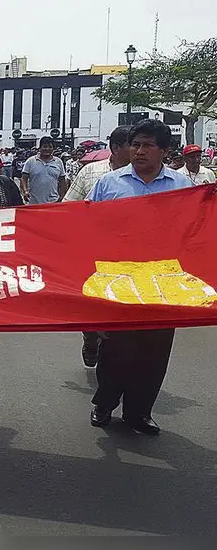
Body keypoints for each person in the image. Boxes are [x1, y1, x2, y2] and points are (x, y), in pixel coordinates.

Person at [87, 119, 194, 435]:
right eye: (135, 145)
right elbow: (88, 226)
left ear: (164, 150)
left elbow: (192, 232)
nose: (139, 151)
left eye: (148, 145)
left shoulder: (182, 187)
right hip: (119, 278)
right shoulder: (109, 184)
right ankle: (104, 404)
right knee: (116, 348)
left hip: (164, 281)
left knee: (154, 350)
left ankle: (139, 412)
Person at [62, 126, 133, 368]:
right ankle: (91, 337)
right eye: (132, 145)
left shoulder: (147, 177)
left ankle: (115, 356)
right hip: (95, 253)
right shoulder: (91, 172)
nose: (137, 151)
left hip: (131, 256)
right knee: (93, 305)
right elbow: (70, 206)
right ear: (116, 148)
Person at [21, 137, 68, 204]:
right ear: (40, 148)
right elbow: (24, 178)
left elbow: (62, 180)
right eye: (45, 147)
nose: (47, 149)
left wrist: (62, 196)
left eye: (50, 147)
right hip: (34, 202)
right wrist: (25, 191)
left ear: (53, 148)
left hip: (54, 201)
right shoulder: (30, 161)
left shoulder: (58, 162)